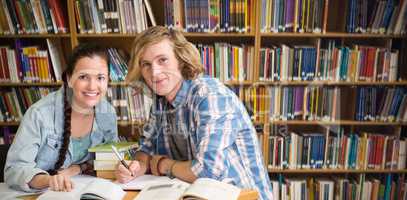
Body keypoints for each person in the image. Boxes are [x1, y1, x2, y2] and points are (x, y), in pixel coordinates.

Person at [116, 26, 273, 200]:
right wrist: (135, 166)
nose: (154, 72)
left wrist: (164, 164)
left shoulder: (209, 95)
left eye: (162, 60)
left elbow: (208, 171)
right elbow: (146, 149)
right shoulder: (159, 104)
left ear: (181, 60)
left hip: (239, 195)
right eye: (146, 64)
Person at [4, 43, 118, 192]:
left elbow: (107, 160)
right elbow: (14, 170)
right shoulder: (39, 114)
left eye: (100, 78)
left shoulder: (107, 113)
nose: (92, 86)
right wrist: (49, 180)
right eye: (83, 77)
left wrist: (77, 168)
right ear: (69, 78)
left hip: (85, 191)